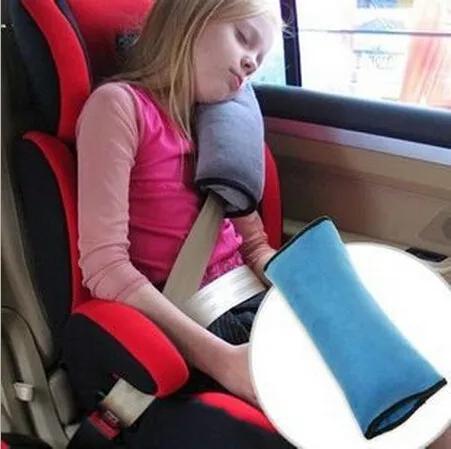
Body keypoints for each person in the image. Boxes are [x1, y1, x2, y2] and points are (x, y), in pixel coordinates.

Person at [76, 0, 280, 409]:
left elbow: (256, 246)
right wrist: (226, 362)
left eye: (259, 60)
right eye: (243, 38)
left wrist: (309, 296)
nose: (250, 64)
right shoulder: (119, 107)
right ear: (191, 17)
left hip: (255, 299)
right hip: (199, 322)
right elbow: (105, 266)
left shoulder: (219, 126)